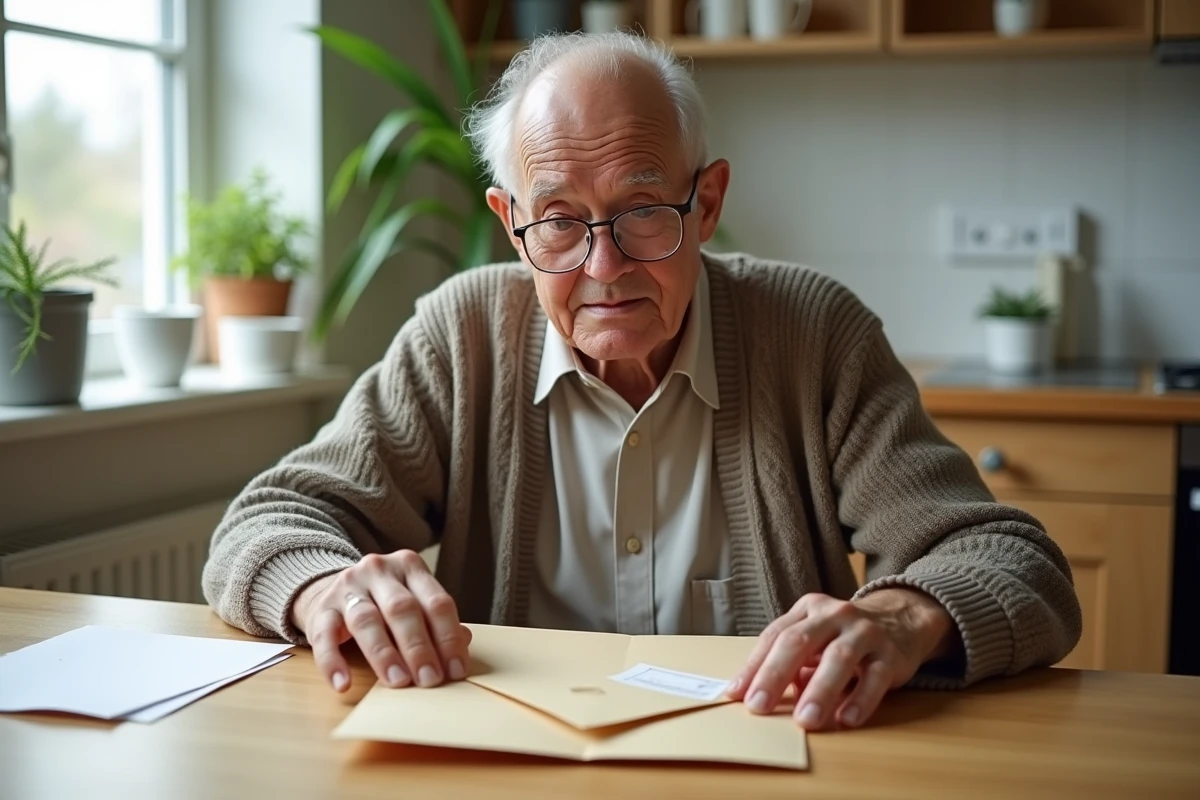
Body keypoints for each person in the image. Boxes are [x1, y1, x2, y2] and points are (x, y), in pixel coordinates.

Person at [202, 31, 1081, 732]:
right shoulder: (461, 334)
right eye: (559, 220)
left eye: (643, 211)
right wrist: (327, 586)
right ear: (510, 224)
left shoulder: (814, 334)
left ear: (706, 204)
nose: (604, 266)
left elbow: (1015, 563)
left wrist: (901, 616)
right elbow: (266, 524)